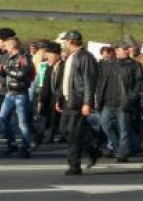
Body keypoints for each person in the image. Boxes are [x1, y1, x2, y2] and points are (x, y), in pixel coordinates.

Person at [57, 30, 101, 176]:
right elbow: (66, 80)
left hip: (78, 100)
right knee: (65, 130)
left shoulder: (85, 57)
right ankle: (92, 149)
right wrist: (61, 99)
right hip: (68, 99)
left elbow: (89, 81)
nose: (64, 43)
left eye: (65, 41)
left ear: (71, 41)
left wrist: (87, 102)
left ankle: (74, 166)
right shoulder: (71, 57)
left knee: (74, 133)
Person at [96, 38, 142, 162]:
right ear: (117, 51)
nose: (127, 51)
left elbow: (138, 83)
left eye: (128, 49)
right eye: (125, 49)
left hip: (124, 103)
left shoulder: (134, 65)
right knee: (105, 125)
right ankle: (119, 148)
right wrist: (98, 97)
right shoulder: (109, 64)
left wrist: (131, 97)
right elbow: (101, 82)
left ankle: (123, 153)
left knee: (124, 130)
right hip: (108, 102)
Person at [0, 38, 34, 158]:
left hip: (20, 93)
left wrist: (6, 69)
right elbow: (9, 75)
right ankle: (11, 142)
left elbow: (22, 74)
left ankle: (26, 146)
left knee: (22, 122)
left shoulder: (24, 58)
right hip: (10, 92)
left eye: (6, 46)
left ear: (12, 47)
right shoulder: (9, 58)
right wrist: (1, 70)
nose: (5, 48)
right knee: (2, 117)